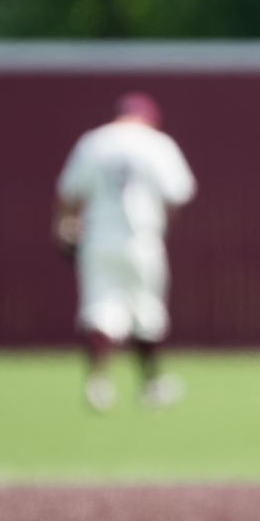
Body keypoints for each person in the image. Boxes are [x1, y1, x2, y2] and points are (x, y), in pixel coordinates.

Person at [54, 92, 197, 411]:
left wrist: (63, 228)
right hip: (141, 236)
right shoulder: (158, 144)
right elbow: (176, 196)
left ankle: (97, 384)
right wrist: (160, 227)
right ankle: (151, 385)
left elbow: (69, 194)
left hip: (98, 236)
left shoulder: (93, 142)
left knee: (99, 309)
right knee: (146, 310)